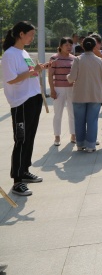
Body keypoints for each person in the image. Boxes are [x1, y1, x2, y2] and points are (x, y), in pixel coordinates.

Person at [2, 21, 52, 196]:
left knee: (29, 137)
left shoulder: (23, 53)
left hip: (33, 98)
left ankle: (24, 171)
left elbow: (30, 73)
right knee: (21, 139)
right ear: (21, 34)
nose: (32, 38)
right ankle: (17, 180)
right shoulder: (9, 55)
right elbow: (11, 79)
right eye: (30, 34)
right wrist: (33, 71)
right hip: (21, 102)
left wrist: (40, 68)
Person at [67, 37, 102, 152]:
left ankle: (80, 144)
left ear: (82, 46)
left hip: (79, 95)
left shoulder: (78, 60)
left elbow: (72, 78)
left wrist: (67, 77)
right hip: (95, 94)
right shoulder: (100, 61)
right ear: (94, 46)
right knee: (92, 120)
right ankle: (91, 145)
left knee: (79, 120)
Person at [48, 37, 75, 146]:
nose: (69, 47)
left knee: (72, 112)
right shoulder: (54, 58)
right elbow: (50, 75)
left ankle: (73, 134)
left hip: (72, 88)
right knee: (58, 113)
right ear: (60, 46)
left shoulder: (74, 58)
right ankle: (57, 136)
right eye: (66, 45)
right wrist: (52, 90)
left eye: (70, 45)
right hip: (58, 88)